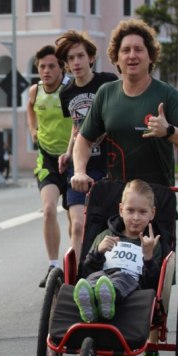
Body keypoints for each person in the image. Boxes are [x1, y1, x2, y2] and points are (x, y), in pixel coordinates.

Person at [71, 18, 178, 356]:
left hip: (157, 195)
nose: (131, 55)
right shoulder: (108, 95)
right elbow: (84, 139)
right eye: (125, 50)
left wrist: (169, 131)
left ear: (149, 56)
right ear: (116, 56)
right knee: (107, 257)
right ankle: (113, 339)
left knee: (155, 274)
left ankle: (152, 352)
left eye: (138, 49)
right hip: (116, 196)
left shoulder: (165, 95)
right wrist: (80, 169)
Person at [55, 30, 118, 262]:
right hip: (79, 166)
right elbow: (76, 126)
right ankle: (78, 280)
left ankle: (107, 269)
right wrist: (68, 151)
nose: (76, 62)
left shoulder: (108, 82)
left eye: (80, 56)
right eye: (70, 59)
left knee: (107, 223)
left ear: (91, 57)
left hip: (108, 164)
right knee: (78, 224)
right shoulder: (67, 93)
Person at [73, 180, 161, 324]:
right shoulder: (105, 236)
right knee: (93, 279)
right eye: (130, 210)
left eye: (142, 212)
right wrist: (98, 253)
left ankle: (107, 296)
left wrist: (148, 258)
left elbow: (153, 285)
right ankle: (89, 304)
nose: (136, 218)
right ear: (121, 210)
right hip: (102, 278)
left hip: (133, 288)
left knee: (120, 277)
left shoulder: (152, 243)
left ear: (152, 213)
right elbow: (86, 271)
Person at [26, 45, 73, 287]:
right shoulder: (35, 91)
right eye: (42, 66)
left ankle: (75, 265)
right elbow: (30, 110)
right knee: (48, 209)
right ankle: (54, 266)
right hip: (47, 160)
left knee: (75, 219)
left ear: (61, 67)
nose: (46, 70)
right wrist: (33, 130)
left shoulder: (70, 90)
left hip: (73, 158)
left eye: (51, 66)